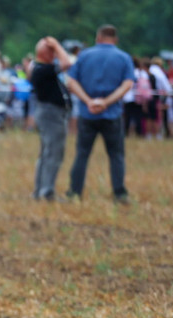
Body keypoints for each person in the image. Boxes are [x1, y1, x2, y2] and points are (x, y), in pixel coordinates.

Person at [64, 25, 135, 203]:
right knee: (116, 155)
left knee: (82, 154)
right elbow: (127, 85)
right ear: (115, 39)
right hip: (112, 114)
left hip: (87, 115)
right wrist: (106, 102)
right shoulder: (124, 57)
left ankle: (74, 192)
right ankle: (119, 194)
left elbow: (71, 82)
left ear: (98, 37)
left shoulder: (84, 55)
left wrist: (88, 101)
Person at [30, 36, 72, 201]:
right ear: (45, 53)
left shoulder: (40, 68)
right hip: (51, 114)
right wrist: (56, 44)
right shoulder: (42, 68)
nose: (55, 54)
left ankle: (40, 190)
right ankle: (46, 192)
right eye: (53, 52)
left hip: (49, 113)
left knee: (46, 154)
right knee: (53, 154)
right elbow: (67, 63)